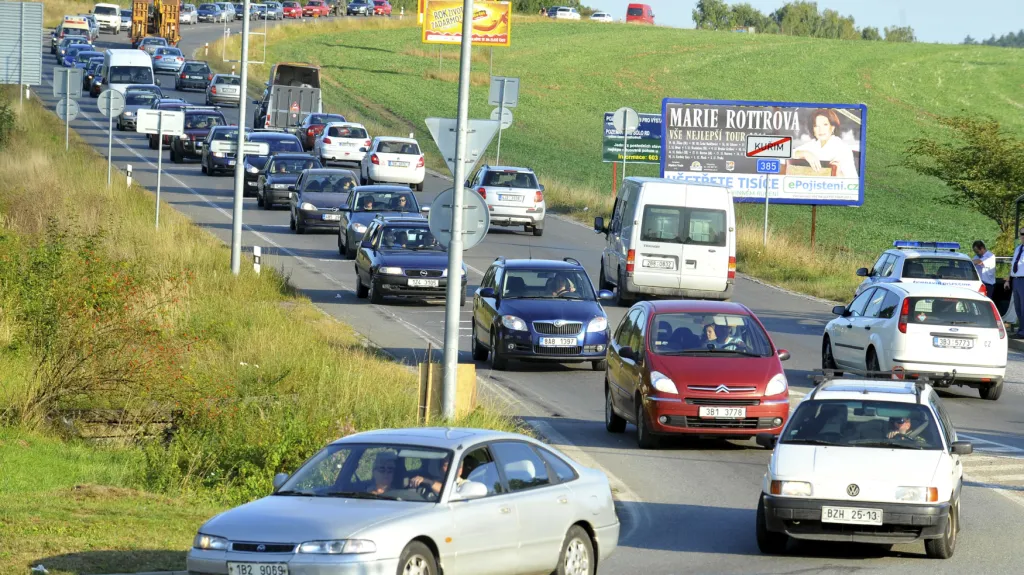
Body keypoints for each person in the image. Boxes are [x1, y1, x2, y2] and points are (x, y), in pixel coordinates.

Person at [792, 108, 858, 178]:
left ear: (832, 127)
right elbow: (788, 154)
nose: (821, 130)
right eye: (816, 126)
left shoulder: (843, 148)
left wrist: (838, 174)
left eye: (825, 125)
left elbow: (853, 181)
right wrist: (805, 153)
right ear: (813, 130)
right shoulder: (814, 144)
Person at [1004, 228, 1024, 338]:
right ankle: (1021, 330)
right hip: (1016, 280)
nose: (1023, 236)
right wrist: (1008, 280)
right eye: (1022, 234)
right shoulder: (1018, 249)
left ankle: (1022, 332)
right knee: (1018, 307)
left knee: (1023, 307)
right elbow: (1013, 265)